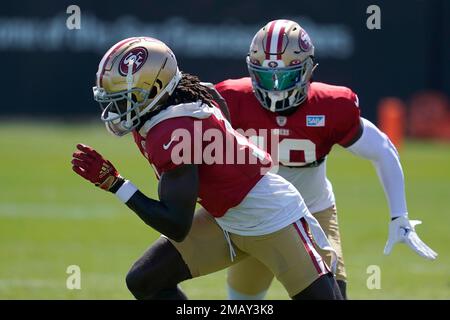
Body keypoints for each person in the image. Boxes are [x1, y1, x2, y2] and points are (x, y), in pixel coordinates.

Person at [71, 36, 343, 300]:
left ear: (155, 90)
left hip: (270, 219)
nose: (115, 109)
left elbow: (176, 224)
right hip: (224, 218)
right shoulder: (179, 98)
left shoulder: (171, 130)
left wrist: (116, 184)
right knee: (145, 281)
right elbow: (219, 108)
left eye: (124, 98)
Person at [211, 19, 437, 300]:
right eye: (268, 76)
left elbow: (382, 149)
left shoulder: (330, 106)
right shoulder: (230, 98)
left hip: (313, 214)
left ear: (307, 70)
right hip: (256, 216)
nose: (276, 87)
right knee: (243, 302)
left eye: (286, 76)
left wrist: (399, 216)